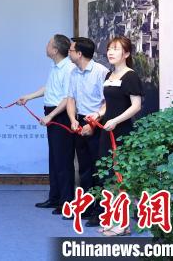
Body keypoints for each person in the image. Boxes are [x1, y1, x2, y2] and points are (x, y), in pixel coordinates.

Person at [17, 34, 75, 215]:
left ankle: (67, 202)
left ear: (55, 50)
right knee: (54, 158)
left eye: (49, 44)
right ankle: (55, 197)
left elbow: (67, 98)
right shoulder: (55, 66)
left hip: (62, 115)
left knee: (63, 160)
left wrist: (51, 116)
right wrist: (28, 97)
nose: (46, 46)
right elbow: (49, 88)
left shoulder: (69, 68)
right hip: (52, 113)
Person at [94, 36, 143, 236]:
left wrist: (116, 120)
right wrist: (98, 114)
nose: (111, 52)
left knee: (121, 177)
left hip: (122, 133)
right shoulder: (109, 75)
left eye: (116, 49)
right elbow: (108, 105)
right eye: (109, 49)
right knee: (109, 177)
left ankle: (123, 224)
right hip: (107, 131)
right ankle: (116, 220)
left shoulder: (131, 76)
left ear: (127, 53)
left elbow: (136, 106)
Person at [65, 36, 109, 227]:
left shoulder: (101, 72)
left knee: (98, 170)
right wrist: (73, 120)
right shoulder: (73, 72)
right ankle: (87, 207)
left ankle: (100, 212)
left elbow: (107, 103)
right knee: (83, 168)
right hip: (80, 122)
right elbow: (71, 99)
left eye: (71, 50)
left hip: (97, 123)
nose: (69, 52)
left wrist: (93, 123)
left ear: (80, 53)